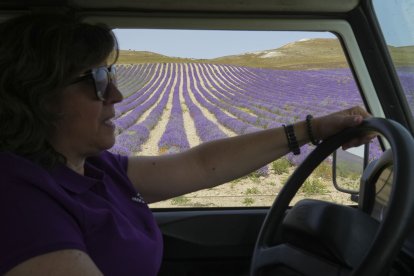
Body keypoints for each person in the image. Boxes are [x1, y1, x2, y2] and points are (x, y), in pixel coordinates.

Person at [0, 13, 372, 276]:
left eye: (111, 74)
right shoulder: (18, 200)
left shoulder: (91, 167)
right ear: (38, 96)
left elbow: (199, 166)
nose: (115, 94)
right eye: (97, 80)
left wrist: (312, 130)